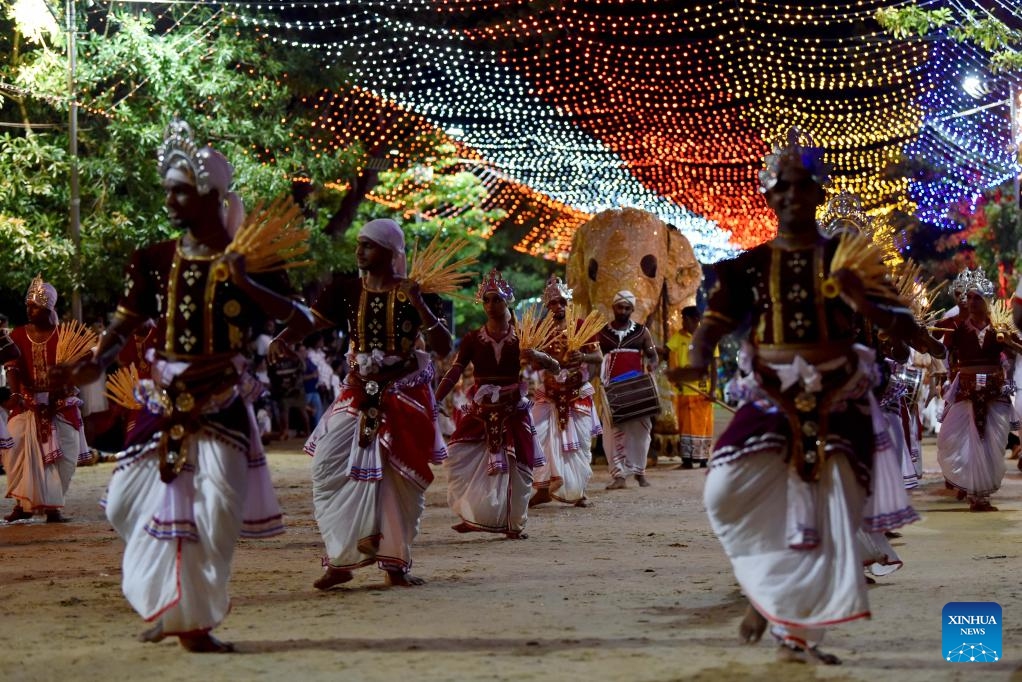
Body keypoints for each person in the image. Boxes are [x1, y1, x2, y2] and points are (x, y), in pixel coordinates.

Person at [667, 129, 944, 665]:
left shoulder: (847, 258)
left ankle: (796, 628)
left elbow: (900, 319)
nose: (792, 196)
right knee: (724, 492)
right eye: (782, 188)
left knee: (825, 517)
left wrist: (925, 339)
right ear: (769, 196)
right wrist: (698, 357)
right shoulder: (751, 264)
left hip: (838, 397)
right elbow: (715, 321)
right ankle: (770, 592)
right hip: (771, 393)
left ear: (818, 193)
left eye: (801, 186)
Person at [58, 119, 302, 653]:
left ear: (211, 194)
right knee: (123, 504)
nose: (169, 199)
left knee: (216, 517)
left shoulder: (253, 262)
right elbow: (123, 323)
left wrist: (247, 283)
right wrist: (97, 362)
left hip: (221, 406)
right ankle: (171, 604)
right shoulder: (153, 258)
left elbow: (302, 321)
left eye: (180, 190)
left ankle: (193, 619)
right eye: (166, 189)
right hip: (163, 404)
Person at [269, 217, 452, 590]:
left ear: (389, 252)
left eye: (368, 245)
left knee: (399, 481)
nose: (359, 251)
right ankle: (344, 557)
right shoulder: (345, 290)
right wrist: (285, 336)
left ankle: (395, 564)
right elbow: (312, 323)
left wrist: (417, 300)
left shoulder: (416, 292)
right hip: (357, 391)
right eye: (359, 244)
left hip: (402, 395)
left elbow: (444, 347)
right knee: (326, 466)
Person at [435, 269, 551, 539]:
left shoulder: (524, 336)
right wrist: (435, 397)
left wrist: (536, 355)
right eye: (486, 300)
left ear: (507, 300)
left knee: (520, 468)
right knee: (458, 459)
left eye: (496, 299)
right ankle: (474, 513)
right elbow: (455, 370)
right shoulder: (473, 338)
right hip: (482, 409)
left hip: (513, 408)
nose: (490, 305)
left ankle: (514, 524)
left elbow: (553, 367)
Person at [3, 277, 89, 523]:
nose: (28, 310)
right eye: (27, 305)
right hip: (26, 403)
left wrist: (62, 390)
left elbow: (77, 372)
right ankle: (23, 505)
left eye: (34, 306)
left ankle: (53, 508)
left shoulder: (66, 337)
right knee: (14, 444)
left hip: (60, 403)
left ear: (49, 308)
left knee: (66, 455)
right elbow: (12, 369)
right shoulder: (18, 334)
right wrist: (20, 395)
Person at [934, 269, 1018, 511]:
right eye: (969, 298)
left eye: (976, 298)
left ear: (987, 301)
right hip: (966, 390)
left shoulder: (1000, 326)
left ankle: (981, 495)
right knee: (958, 439)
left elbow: (1016, 352)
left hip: (994, 391)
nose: (970, 302)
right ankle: (972, 490)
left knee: (993, 441)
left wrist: (1008, 342)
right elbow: (942, 353)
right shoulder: (956, 328)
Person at [529, 276, 601, 508]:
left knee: (579, 444)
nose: (558, 307)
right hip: (548, 393)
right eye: (553, 303)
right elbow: (531, 362)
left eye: (562, 302)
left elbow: (598, 357)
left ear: (568, 303)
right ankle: (541, 488)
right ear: (547, 306)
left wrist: (583, 356)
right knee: (538, 437)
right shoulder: (539, 331)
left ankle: (578, 492)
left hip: (576, 392)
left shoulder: (581, 326)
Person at [598, 290, 658, 489]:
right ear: (613, 307)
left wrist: (653, 365)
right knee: (613, 432)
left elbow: (653, 355)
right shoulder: (602, 333)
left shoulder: (642, 332)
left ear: (632, 310)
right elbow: (594, 358)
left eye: (627, 308)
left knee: (641, 431)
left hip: (637, 388)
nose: (623, 311)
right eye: (619, 307)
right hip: (612, 390)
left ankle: (639, 472)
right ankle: (619, 476)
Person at [666, 306, 717, 469]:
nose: (682, 322)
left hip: (701, 391)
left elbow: (714, 366)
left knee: (702, 426)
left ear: (695, 320)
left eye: (684, 319)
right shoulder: (679, 336)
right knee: (685, 426)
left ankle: (702, 459)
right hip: (684, 390)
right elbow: (666, 351)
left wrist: (713, 390)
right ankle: (687, 460)